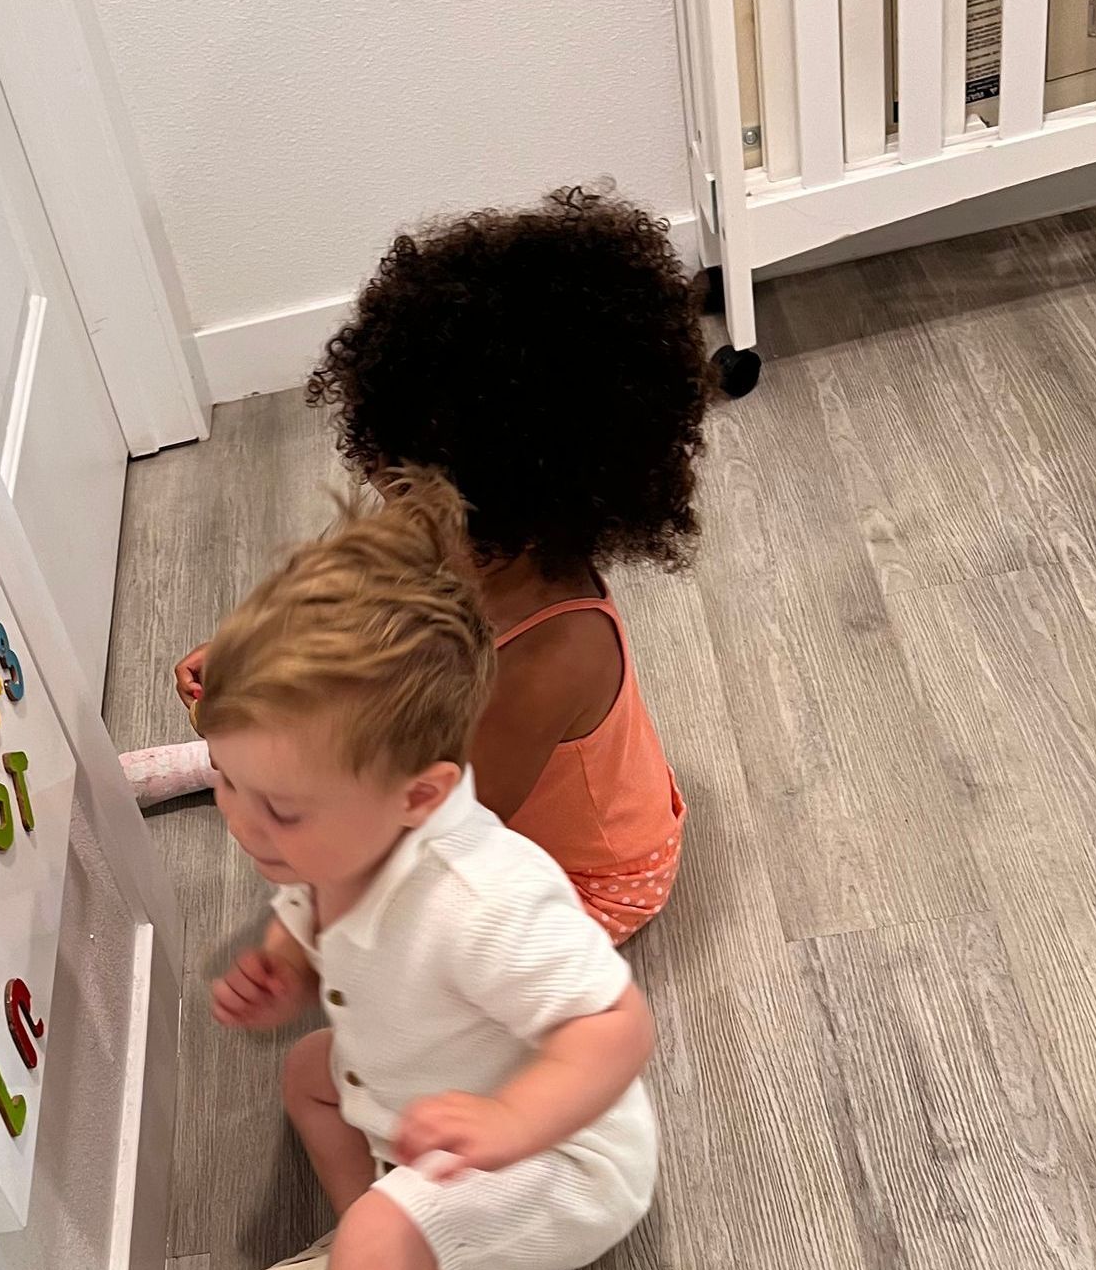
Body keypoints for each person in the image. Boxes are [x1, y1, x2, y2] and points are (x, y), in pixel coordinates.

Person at [101, 476, 656, 1270]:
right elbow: (316, 914)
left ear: (422, 795)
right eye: (226, 783)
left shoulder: (483, 895)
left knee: (384, 1235)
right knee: (307, 1078)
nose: (244, 826)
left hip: (565, 1155)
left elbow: (616, 1028)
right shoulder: (341, 834)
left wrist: (511, 1123)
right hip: (435, 1101)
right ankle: (389, 1264)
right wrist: (285, 967)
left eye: (280, 809)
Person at [120, 186, 707, 945]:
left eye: (405, 494)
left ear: (511, 511)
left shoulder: (548, 660)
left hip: (582, 879)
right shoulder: (476, 541)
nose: (386, 505)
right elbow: (363, 600)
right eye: (385, 482)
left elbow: (445, 831)